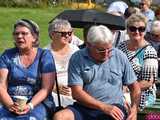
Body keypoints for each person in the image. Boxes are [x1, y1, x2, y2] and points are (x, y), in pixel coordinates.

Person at [53, 25, 141, 120]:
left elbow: (134, 87)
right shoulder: (77, 58)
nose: (106, 53)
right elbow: (76, 93)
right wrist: (103, 107)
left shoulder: (119, 56)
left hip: (114, 107)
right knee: (60, 117)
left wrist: (134, 108)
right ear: (89, 44)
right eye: (101, 50)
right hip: (84, 107)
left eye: (109, 49)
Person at [0, 19, 56, 119]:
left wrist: (30, 106)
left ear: (34, 37)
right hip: (11, 101)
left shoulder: (44, 55)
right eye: (16, 34)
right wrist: (10, 105)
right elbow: (1, 86)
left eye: (24, 33)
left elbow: (46, 88)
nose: (19, 36)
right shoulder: (7, 55)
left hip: (37, 103)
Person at [118, 13, 158, 111]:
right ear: (127, 30)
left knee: (121, 104)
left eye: (141, 29)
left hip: (143, 93)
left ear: (145, 31)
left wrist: (127, 88)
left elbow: (148, 82)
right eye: (133, 28)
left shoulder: (149, 51)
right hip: (119, 90)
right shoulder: (121, 47)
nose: (137, 32)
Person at [45, 19, 79, 107]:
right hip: (53, 91)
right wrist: (54, 87)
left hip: (75, 89)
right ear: (52, 34)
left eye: (70, 33)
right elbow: (39, 77)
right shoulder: (45, 53)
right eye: (63, 33)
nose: (67, 36)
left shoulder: (76, 51)